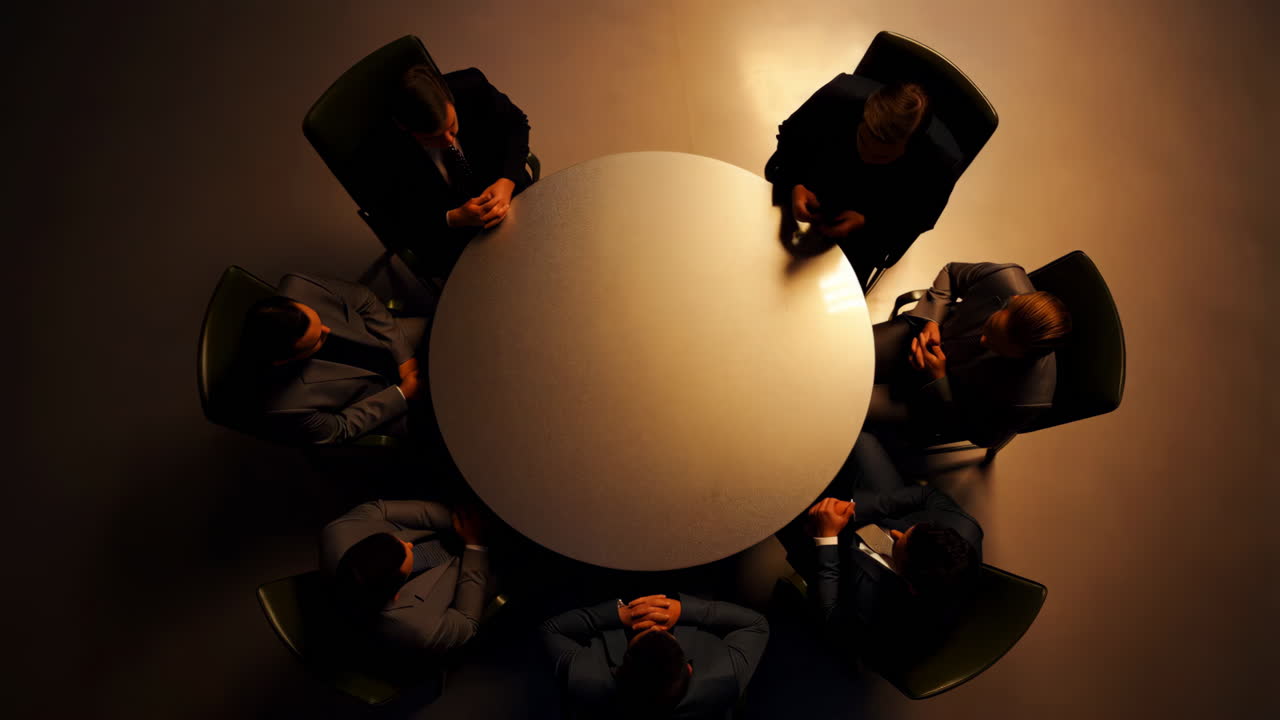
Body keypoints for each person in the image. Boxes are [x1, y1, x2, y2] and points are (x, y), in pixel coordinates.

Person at [777, 433, 982, 662]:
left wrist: (826, 538)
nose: (896, 533)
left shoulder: (880, 618)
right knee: (861, 441)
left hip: (836, 562)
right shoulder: (964, 528)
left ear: (911, 586)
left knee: (777, 504)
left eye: (900, 544)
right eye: (909, 531)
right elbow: (926, 494)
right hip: (884, 513)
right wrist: (852, 508)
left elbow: (829, 615)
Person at [765, 75, 963, 284]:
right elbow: (789, 141)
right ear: (862, 117)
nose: (867, 156)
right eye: (862, 140)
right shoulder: (835, 99)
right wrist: (795, 183)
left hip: (873, 215)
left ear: (910, 147)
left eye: (881, 156)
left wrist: (867, 223)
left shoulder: (939, 164)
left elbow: (915, 222)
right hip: (816, 178)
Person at [866, 261, 1072, 447]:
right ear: (1012, 300)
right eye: (990, 329)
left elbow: (983, 436)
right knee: (849, 357)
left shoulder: (1028, 400)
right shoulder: (1004, 277)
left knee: (851, 404)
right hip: (915, 337)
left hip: (929, 401)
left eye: (997, 347)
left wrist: (939, 380)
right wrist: (932, 322)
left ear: (1028, 358)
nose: (983, 341)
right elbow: (951, 273)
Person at [364, 64, 533, 277]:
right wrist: (453, 217)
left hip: (509, 194)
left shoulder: (471, 86)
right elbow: (393, 218)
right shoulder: (381, 148)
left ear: (449, 98)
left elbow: (517, 125)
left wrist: (507, 180)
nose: (447, 141)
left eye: (451, 126)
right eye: (431, 138)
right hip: (453, 239)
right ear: (403, 127)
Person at [239, 274, 425, 445]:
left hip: (386, 338)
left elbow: (364, 300)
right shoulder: (285, 407)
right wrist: (402, 394)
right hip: (385, 404)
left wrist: (405, 357)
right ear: (283, 361)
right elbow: (340, 429)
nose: (327, 330)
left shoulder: (300, 286)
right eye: (317, 340)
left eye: (319, 321)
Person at [541, 593, 769, 719]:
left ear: (619, 669)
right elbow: (756, 624)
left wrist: (622, 614)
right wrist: (683, 610)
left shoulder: (583, 679)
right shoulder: (725, 677)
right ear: (689, 669)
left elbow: (550, 629)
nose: (654, 627)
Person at [321, 499, 496, 656]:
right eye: (406, 551)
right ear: (396, 595)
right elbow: (467, 623)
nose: (409, 543)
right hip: (478, 568)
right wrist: (475, 544)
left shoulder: (338, 531)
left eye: (395, 541)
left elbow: (382, 509)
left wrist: (459, 521)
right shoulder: (421, 630)